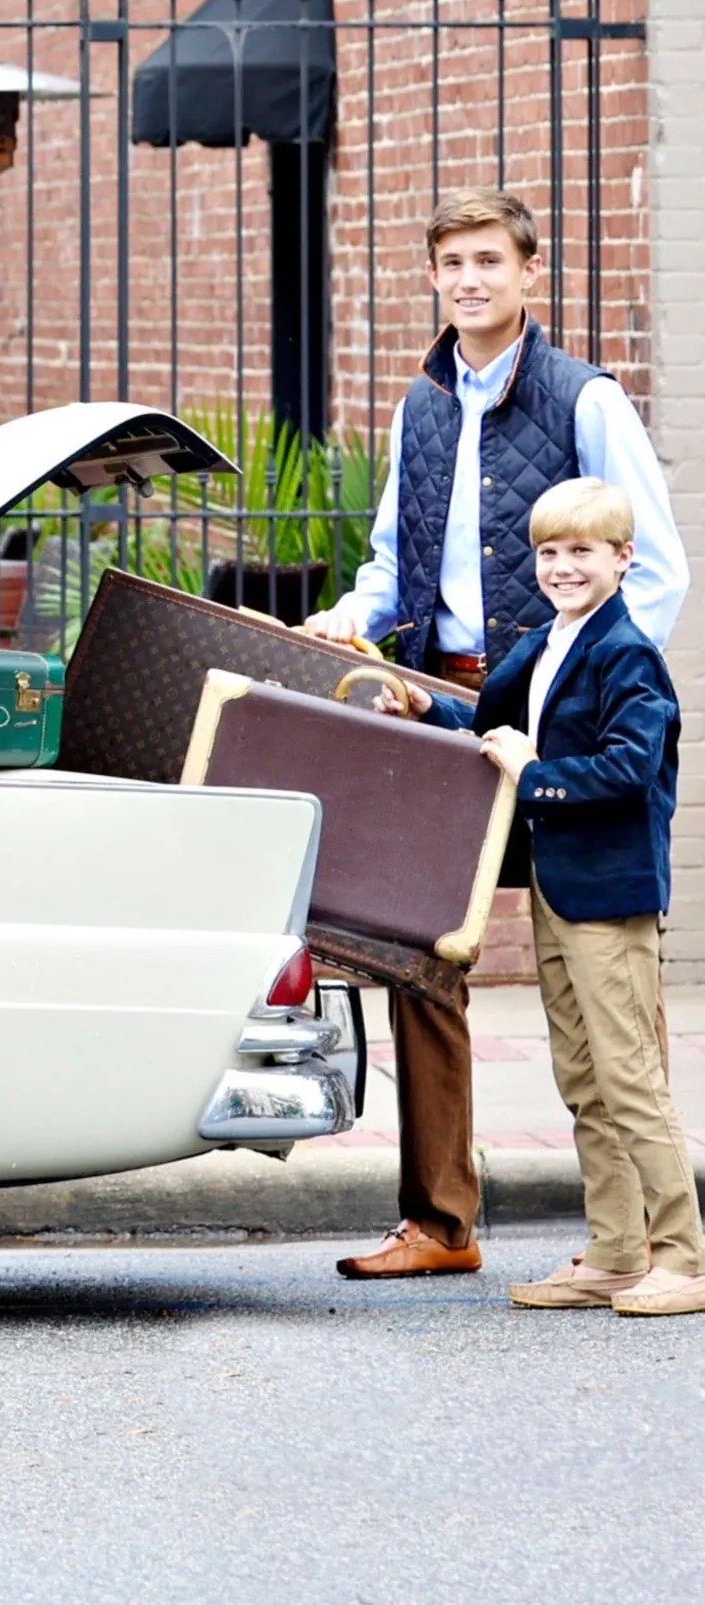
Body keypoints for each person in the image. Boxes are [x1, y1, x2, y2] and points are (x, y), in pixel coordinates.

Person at [301, 188, 686, 1280]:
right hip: (447, 703)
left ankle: (656, 1234)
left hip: (560, 713)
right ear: (434, 279)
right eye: (450, 263)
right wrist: (351, 619)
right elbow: (389, 562)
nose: (468, 280)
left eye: (487, 261)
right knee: (422, 951)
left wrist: (586, 678)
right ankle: (440, 1221)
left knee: (601, 958)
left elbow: (657, 566)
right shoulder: (417, 408)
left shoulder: (586, 399)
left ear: (528, 274)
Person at [398, 481, 699, 1317]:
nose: (563, 566)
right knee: (584, 1079)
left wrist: (532, 774)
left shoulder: (626, 652)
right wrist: (432, 705)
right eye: (549, 552)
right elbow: (497, 725)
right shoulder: (546, 641)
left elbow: (627, 768)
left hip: (609, 893)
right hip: (557, 889)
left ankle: (684, 1252)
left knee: (630, 1077)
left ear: (623, 559)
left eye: (583, 551)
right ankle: (615, 1249)